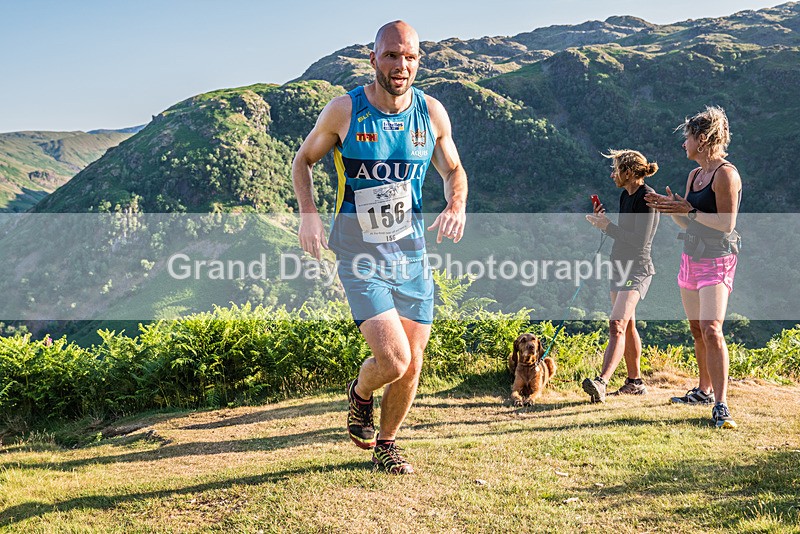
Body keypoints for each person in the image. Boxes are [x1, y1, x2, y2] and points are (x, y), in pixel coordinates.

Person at [291, 21, 468, 474]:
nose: (400, 65)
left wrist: (456, 204)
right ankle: (360, 392)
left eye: (409, 56)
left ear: (418, 61)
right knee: (392, 358)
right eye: (391, 55)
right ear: (374, 60)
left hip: (412, 256)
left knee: (412, 364)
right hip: (359, 255)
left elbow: (453, 170)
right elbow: (304, 161)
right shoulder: (344, 111)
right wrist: (308, 213)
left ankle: (387, 444)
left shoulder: (430, 114)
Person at [645, 106, 741, 429]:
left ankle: (721, 404)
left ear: (702, 139)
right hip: (691, 257)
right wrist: (668, 207)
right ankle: (703, 390)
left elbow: (727, 224)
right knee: (697, 329)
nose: (683, 143)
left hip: (717, 261)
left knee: (713, 329)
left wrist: (689, 212)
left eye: (687, 137)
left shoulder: (725, 174)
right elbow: (686, 220)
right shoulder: (694, 176)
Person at [582, 150, 660, 403]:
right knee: (628, 325)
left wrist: (608, 227)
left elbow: (640, 240)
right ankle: (635, 382)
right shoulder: (625, 195)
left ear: (628, 172)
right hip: (619, 266)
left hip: (637, 269)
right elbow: (623, 232)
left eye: (616, 169)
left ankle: (602, 382)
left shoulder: (647, 198)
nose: (612, 174)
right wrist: (604, 223)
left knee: (616, 324)